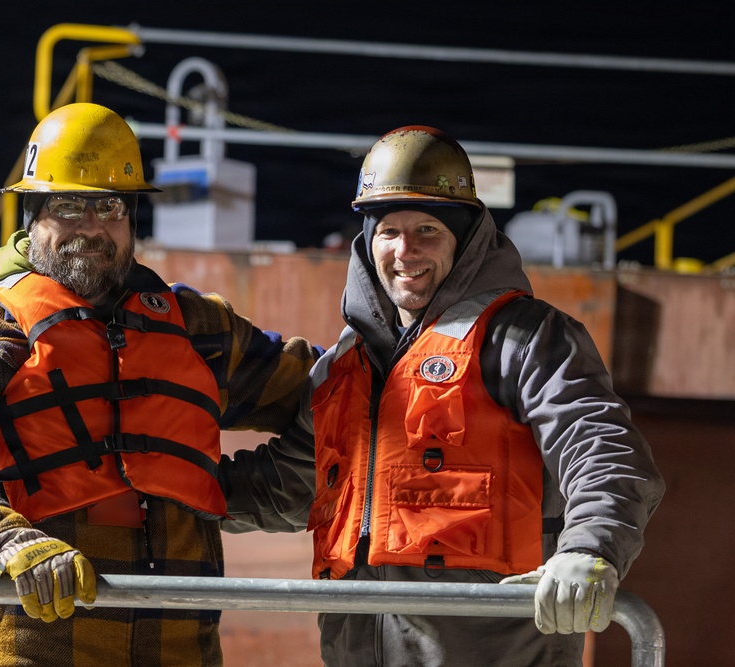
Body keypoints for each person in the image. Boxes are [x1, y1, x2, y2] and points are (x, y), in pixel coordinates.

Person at [0, 102, 319, 666]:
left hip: (177, 652)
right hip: (18, 647)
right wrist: (3, 538)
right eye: (67, 206)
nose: (90, 227)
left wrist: (234, 492)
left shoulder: (198, 328)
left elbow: (327, 394)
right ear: (32, 216)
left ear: (131, 217)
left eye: (109, 206)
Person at [220, 125, 666, 666]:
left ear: (466, 236)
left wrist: (591, 549)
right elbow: (286, 486)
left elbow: (604, 451)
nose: (404, 250)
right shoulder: (343, 367)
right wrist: (162, 486)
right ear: (369, 241)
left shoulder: (526, 340)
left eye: (427, 229)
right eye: (388, 231)